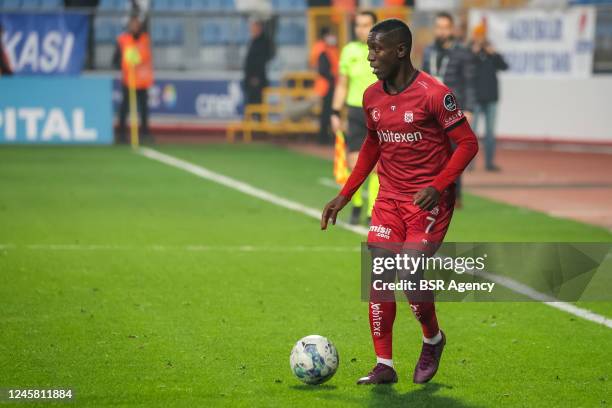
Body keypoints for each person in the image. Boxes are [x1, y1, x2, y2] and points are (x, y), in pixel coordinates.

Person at [321, 19, 478, 385]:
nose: (370, 57)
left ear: (401, 51)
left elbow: (468, 144)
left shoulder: (435, 94)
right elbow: (372, 146)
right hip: (389, 198)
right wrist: (345, 195)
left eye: (377, 50)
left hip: (428, 202)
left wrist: (438, 186)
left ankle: (432, 339)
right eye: (368, 49)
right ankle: (384, 364)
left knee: (409, 274)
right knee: (378, 276)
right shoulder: (372, 96)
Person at [422, 12, 476, 208]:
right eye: (438, 27)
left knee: (454, 155)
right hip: (430, 110)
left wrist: (469, 108)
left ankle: (455, 195)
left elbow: (470, 82)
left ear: (452, 29)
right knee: (431, 153)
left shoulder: (462, 53)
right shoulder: (429, 51)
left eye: (445, 27)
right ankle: (431, 193)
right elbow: (422, 80)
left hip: (453, 109)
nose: (441, 31)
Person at [331, 10, 379, 225]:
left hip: (379, 111)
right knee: (354, 163)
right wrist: (334, 111)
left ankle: (371, 212)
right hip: (355, 110)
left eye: (366, 24)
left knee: (378, 165)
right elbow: (342, 83)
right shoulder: (349, 50)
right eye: (359, 25)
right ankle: (357, 203)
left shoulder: (383, 50)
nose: (362, 29)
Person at [470, 24, 508, 171]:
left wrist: (494, 53)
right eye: (478, 35)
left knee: (490, 133)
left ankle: (489, 163)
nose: (480, 38)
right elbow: (467, 67)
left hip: (491, 98)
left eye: (482, 35)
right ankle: (470, 163)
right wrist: (474, 53)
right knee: (472, 134)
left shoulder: (491, 51)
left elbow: (504, 66)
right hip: (476, 98)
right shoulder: (470, 51)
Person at [113, 15, 153, 143]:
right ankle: (121, 135)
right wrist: (125, 62)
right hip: (129, 80)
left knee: (144, 109)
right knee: (125, 108)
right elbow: (115, 61)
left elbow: (146, 57)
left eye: (137, 24)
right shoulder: (123, 40)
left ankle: (145, 134)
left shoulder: (145, 39)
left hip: (142, 81)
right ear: (129, 26)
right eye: (132, 24)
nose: (135, 27)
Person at [310, 27, 339, 145]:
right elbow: (323, 70)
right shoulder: (323, 50)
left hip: (326, 85)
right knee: (327, 112)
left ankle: (325, 136)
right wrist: (332, 78)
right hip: (326, 86)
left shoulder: (326, 48)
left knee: (327, 112)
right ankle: (324, 137)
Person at [243, 20, 273, 106]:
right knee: (251, 105)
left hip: (257, 80)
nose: (252, 30)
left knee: (257, 104)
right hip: (250, 79)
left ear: (259, 28)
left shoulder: (263, 42)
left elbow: (260, 61)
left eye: (254, 27)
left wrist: (255, 77)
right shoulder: (253, 41)